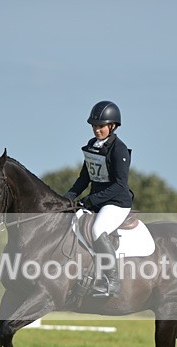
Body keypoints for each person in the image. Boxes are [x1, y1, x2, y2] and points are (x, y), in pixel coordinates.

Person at [64, 100, 133, 298]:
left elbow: (120, 184)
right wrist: (67, 198)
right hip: (97, 201)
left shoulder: (119, 149)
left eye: (100, 126)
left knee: (97, 229)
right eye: (94, 126)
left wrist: (91, 201)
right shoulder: (92, 146)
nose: (96, 130)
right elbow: (84, 179)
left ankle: (112, 282)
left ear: (112, 126)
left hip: (117, 203)